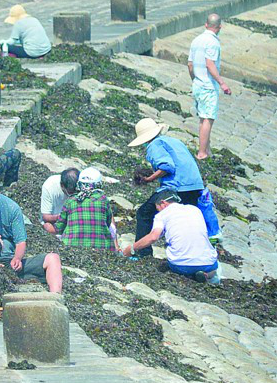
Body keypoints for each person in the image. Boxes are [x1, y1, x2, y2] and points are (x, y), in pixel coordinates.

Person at [128, 118, 205, 259]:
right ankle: (193, 256)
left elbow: (167, 166)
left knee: (144, 214)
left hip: (177, 187)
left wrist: (148, 179)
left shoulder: (154, 145)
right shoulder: (174, 141)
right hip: (195, 186)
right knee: (187, 221)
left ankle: (142, 254)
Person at [0, 176, 63, 292]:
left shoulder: (11, 208)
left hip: (8, 260)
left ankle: (56, 297)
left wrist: (17, 258)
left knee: (53, 258)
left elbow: (20, 241)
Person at [123, 188, 220, 284]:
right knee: (213, 264)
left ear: (163, 203)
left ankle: (192, 274)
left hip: (181, 265)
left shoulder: (162, 215)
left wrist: (132, 248)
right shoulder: (195, 209)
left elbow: (153, 237)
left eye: (157, 208)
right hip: (209, 263)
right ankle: (207, 275)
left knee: (174, 264)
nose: (158, 211)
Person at [187, 13, 231, 160]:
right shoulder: (213, 43)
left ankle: (207, 149)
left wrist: (194, 80)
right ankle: (202, 153)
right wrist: (222, 83)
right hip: (207, 85)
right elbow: (210, 64)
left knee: (202, 118)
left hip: (197, 84)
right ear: (219, 27)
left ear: (206, 24)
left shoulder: (196, 40)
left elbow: (190, 64)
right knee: (208, 119)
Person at [50, 167, 117, 251]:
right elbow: (107, 222)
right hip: (101, 248)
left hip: (71, 247)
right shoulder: (103, 200)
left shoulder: (71, 201)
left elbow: (59, 227)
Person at [40, 168, 79, 233]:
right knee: (47, 226)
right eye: (70, 193)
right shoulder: (49, 187)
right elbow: (45, 216)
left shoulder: (81, 186)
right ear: (62, 185)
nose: (73, 196)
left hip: (74, 221)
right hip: (55, 221)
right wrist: (60, 217)